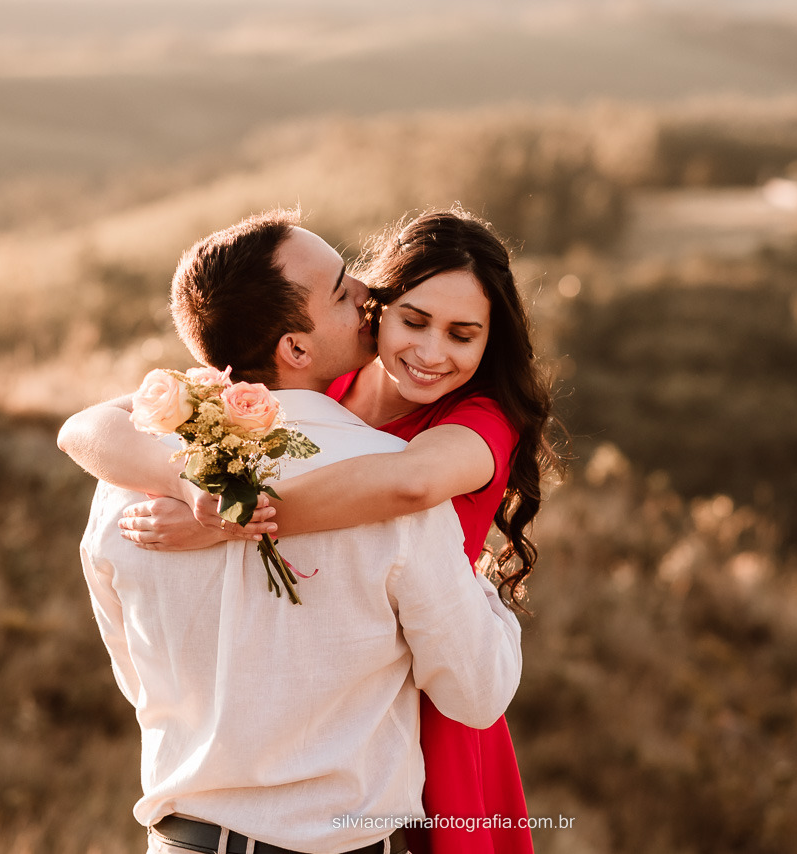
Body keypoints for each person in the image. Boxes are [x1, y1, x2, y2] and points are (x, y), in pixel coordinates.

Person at [60, 207, 557, 854]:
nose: (367, 294)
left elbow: (136, 677)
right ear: (295, 348)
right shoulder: (391, 490)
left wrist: (226, 512)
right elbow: (477, 690)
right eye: (343, 289)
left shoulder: (127, 475)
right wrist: (479, 587)